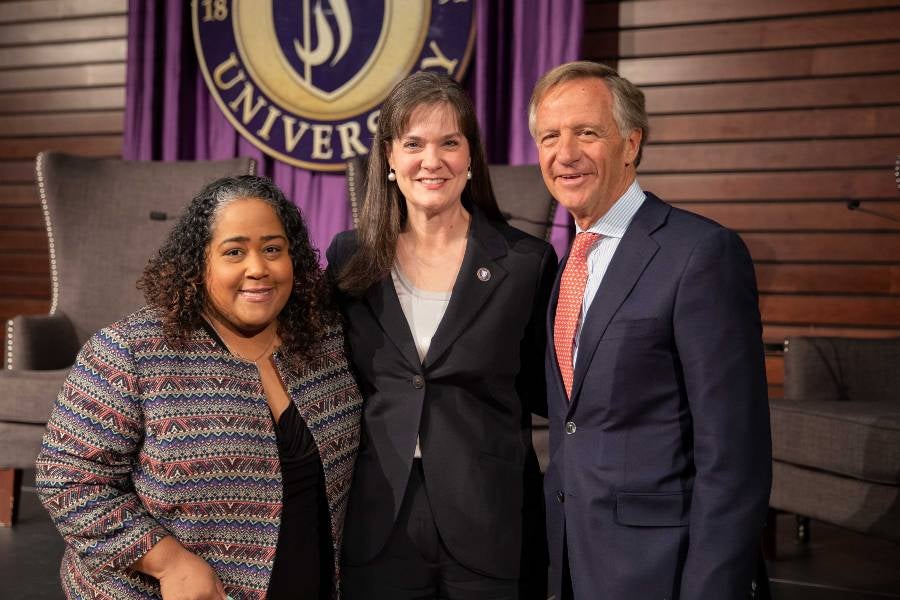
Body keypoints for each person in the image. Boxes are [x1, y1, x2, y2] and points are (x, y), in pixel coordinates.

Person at [36, 176, 362, 600]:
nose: (258, 267)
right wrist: (169, 561)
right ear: (199, 263)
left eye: (272, 249)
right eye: (234, 252)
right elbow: (67, 478)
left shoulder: (327, 340)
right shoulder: (132, 350)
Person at [530, 61, 772, 599]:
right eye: (550, 135)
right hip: (570, 562)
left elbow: (734, 455)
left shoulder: (701, 253)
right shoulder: (563, 264)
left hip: (662, 570)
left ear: (631, 143)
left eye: (587, 132)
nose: (565, 153)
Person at [326, 71, 557, 600]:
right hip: (380, 515)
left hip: (489, 513)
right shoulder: (349, 258)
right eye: (414, 144)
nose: (432, 161)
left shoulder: (526, 263)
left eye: (449, 142)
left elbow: (546, 390)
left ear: (470, 155)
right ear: (388, 156)